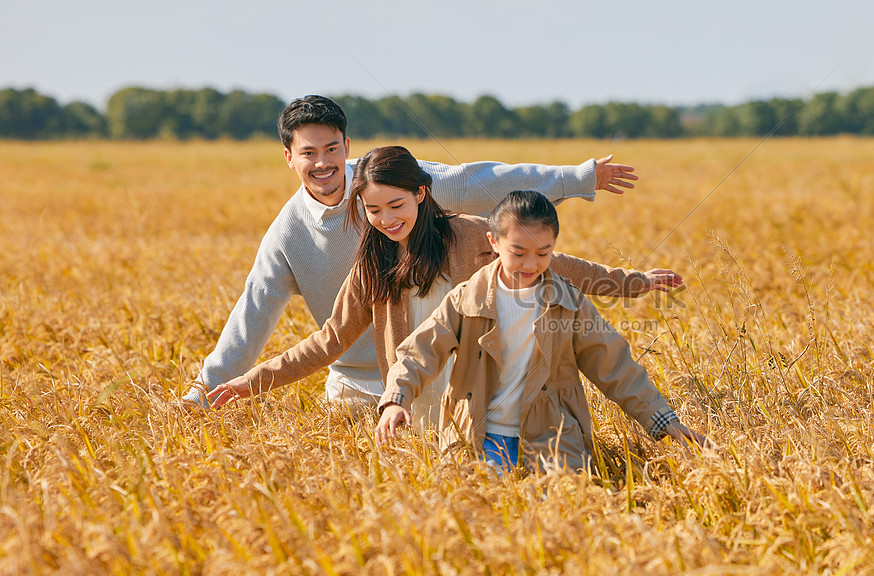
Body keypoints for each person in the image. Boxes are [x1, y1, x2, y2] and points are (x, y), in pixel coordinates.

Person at [184, 94, 640, 409]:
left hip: (447, 369)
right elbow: (255, 313)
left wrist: (577, 179)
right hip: (357, 385)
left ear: (347, 145)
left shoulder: (394, 179)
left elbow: (479, 181)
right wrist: (207, 390)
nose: (322, 163)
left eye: (331, 149)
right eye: (308, 153)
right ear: (289, 157)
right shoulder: (287, 237)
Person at [206, 147, 681, 429]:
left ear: (419, 193)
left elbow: (548, 263)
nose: (387, 220)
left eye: (396, 204)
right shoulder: (371, 264)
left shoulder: (470, 235)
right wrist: (252, 381)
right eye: (374, 211)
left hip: (478, 399)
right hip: (412, 406)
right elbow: (329, 340)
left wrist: (631, 282)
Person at [373, 190, 710, 473]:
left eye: (543, 253)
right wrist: (396, 399)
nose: (531, 265)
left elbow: (614, 366)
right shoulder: (466, 300)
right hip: (478, 436)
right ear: (494, 242)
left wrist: (664, 421)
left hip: (554, 438)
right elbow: (420, 352)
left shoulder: (569, 303)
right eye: (518, 253)